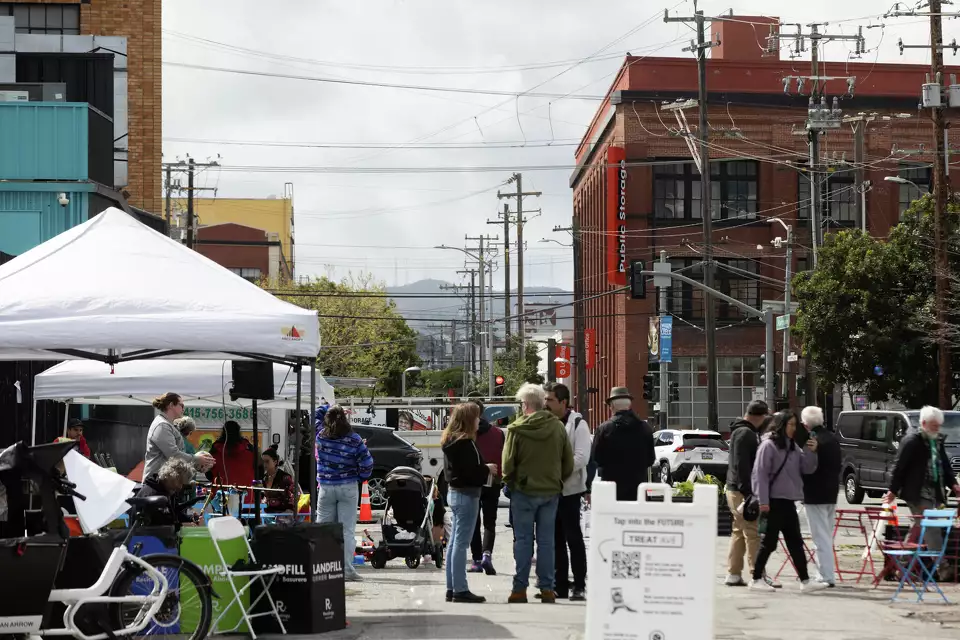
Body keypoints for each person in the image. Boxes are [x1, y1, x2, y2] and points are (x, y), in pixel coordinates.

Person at [502, 383, 574, 604]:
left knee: (523, 540)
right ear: (542, 402)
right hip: (550, 491)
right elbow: (568, 462)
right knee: (546, 542)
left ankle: (519, 589)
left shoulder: (516, 429)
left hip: (523, 491)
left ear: (525, 404)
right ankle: (547, 589)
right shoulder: (557, 427)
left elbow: (507, 464)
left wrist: (511, 482)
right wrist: (556, 479)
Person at [750, 410, 827, 593]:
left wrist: (811, 451)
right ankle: (756, 578)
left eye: (795, 424)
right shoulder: (768, 446)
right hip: (773, 501)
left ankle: (805, 581)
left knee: (795, 542)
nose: (793, 428)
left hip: (788, 501)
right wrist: (763, 501)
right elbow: (759, 474)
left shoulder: (793, 446)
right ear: (781, 425)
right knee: (769, 543)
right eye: (790, 424)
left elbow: (807, 468)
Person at [884, 405, 960, 578]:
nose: (937, 428)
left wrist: (954, 484)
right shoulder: (912, 441)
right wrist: (892, 491)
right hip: (917, 492)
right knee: (931, 526)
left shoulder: (936, 440)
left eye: (938, 425)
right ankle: (943, 567)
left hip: (935, 491)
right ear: (924, 423)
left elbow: (945, 466)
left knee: (919, 527)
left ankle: (901, 567)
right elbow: (899, 467)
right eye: (934, 425)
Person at [442, 402, 497, 604]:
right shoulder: (465, 443)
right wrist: (486, 469)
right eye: (476, 417)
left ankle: (451, 587)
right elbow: (470, 472)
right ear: (467, 420)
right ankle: (460, 588)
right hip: (467, 495)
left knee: (455, 542)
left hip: (456, 493)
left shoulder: (451, 440)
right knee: (461, 543)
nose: (479, 421)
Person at [543, 382, 591, 602]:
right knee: (555, 540)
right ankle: (560, 585)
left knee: (574, 538)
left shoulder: (579, 424)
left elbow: (582, 458)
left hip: (570, 491)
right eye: (545, 399)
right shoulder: (546, 422)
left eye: (550, 400)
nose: (546, 403)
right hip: (550, 490)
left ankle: (579, 585)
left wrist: (557, 471)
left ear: (563, 402)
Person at [316, 404, 374, 583]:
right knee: (346, 531)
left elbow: (316, 414)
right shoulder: (354, 439)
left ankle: (321, 569)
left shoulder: (321, 436)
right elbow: (367, 463)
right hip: (347, 486)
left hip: (325, 487)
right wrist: (360, 475)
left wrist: (329, 405)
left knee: (323, 529)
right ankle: (347, 570)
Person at [724, 400, 769, 587]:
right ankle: (757, 575)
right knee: (752, 532)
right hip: (743, 491)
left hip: (734, 489)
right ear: (760, 416)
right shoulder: (747, 434)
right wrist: (750, 494)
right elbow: (743, 466)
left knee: (739, 531)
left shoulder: (739, 431)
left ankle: (733, 573)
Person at [800, 405, 842, 587]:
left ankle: (826, 575)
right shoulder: (833, 438)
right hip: (831, 492)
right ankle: (825, 572)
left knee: (820, 537)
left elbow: (808, 467)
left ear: (805, 424)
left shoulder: (812, 440)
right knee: (827, 535)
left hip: (814, 493)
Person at [591, 387, 654, 501]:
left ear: (612, 406)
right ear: (629, 405)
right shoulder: (645, 428)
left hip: (612, 489)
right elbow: (651, 459)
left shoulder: (604, 428)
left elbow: (596, 458)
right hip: (638, 488)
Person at [467, 399, 505, 576]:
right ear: (483, 412)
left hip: (473, 481)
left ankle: (475, 560)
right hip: (493, 481)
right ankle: (486, 554)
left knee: (474, 521)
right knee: (490, 522)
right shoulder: (498, 433)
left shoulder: (466, 434)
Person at [144, 393, 214, 479]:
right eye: (181, 405)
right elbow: (173, 455)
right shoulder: (162, 425)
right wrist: (196, 459)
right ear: (171, 405)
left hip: (163, 481)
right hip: (155, 482)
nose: (183, 409)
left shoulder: (167, 424)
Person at [135, 457, 197, 528]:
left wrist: (190, 519)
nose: (180, 487)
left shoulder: (168, 490)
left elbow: (174, 512)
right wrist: (181, 525)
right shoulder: (152, 494)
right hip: (147, 537)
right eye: (180, 482)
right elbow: (159, 523)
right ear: (171, 476)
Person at [208, 421, 256, 502]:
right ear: (239, 431)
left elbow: (208, 473)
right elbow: (258, 471)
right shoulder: (249, 449)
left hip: (221, 498)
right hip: (246, 498)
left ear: (223, 432)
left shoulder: (215, 450)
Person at [261, 444, 296, 513]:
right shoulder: (264, 478)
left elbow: (294, 495)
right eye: (263, 462)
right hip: (268, 513)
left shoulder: (285, 477)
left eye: (267, 461)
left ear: (275, 462)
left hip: (284, 513)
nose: (264, 464)